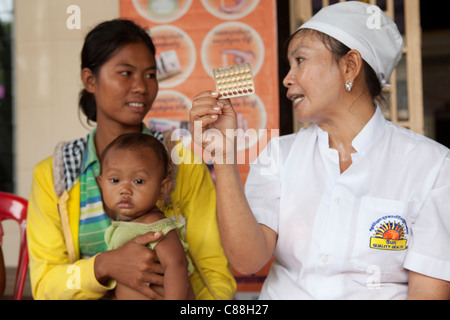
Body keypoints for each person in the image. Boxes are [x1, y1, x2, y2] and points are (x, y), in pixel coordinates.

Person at [190, 2, 450, 300]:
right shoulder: (279, 154)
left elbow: (428, 292)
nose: (288, 78)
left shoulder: (432, 166)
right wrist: (223, 156)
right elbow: (247, 260)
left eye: (300, 60)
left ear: (349, 66)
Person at [27, 19, 236, 300]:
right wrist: (104, 266)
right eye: (126, 73)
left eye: (150, 75)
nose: (141, 87)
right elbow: (45, 285)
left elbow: (213, 273)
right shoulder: (56, 174)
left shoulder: (181, 162)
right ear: (90, 80)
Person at [99, 132, 194, 300]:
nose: (125, 190)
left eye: (139, 181)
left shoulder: (155, 226)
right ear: (101, 184)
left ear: (162, 189)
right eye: (115, 180)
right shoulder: (123, 225)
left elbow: (177, 266)